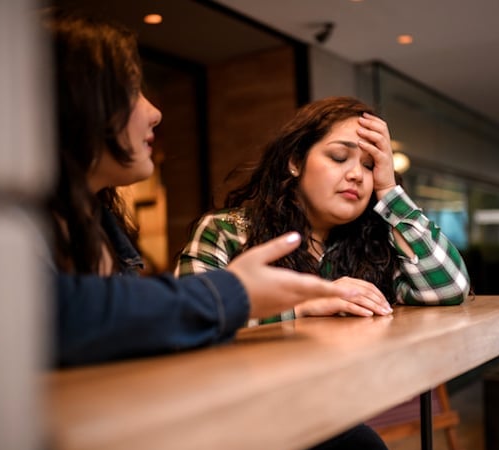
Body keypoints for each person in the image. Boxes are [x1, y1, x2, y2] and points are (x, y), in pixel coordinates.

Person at [44, 12, 352, 368]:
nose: (155, 112)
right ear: (74, 102)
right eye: (130, 90)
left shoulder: (98, 225)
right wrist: (239, 293)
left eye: (371, 165)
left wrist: (391, 194)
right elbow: (51, 317)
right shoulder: (11, 229)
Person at [177, 96, 470, 325]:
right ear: (295, 161)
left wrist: (389, 190)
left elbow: (450, 289)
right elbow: (185, 319)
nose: (357, 174)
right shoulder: (226, 230)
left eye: (370, 166)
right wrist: (301, 308)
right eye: (339, 157)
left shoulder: (377, 243)